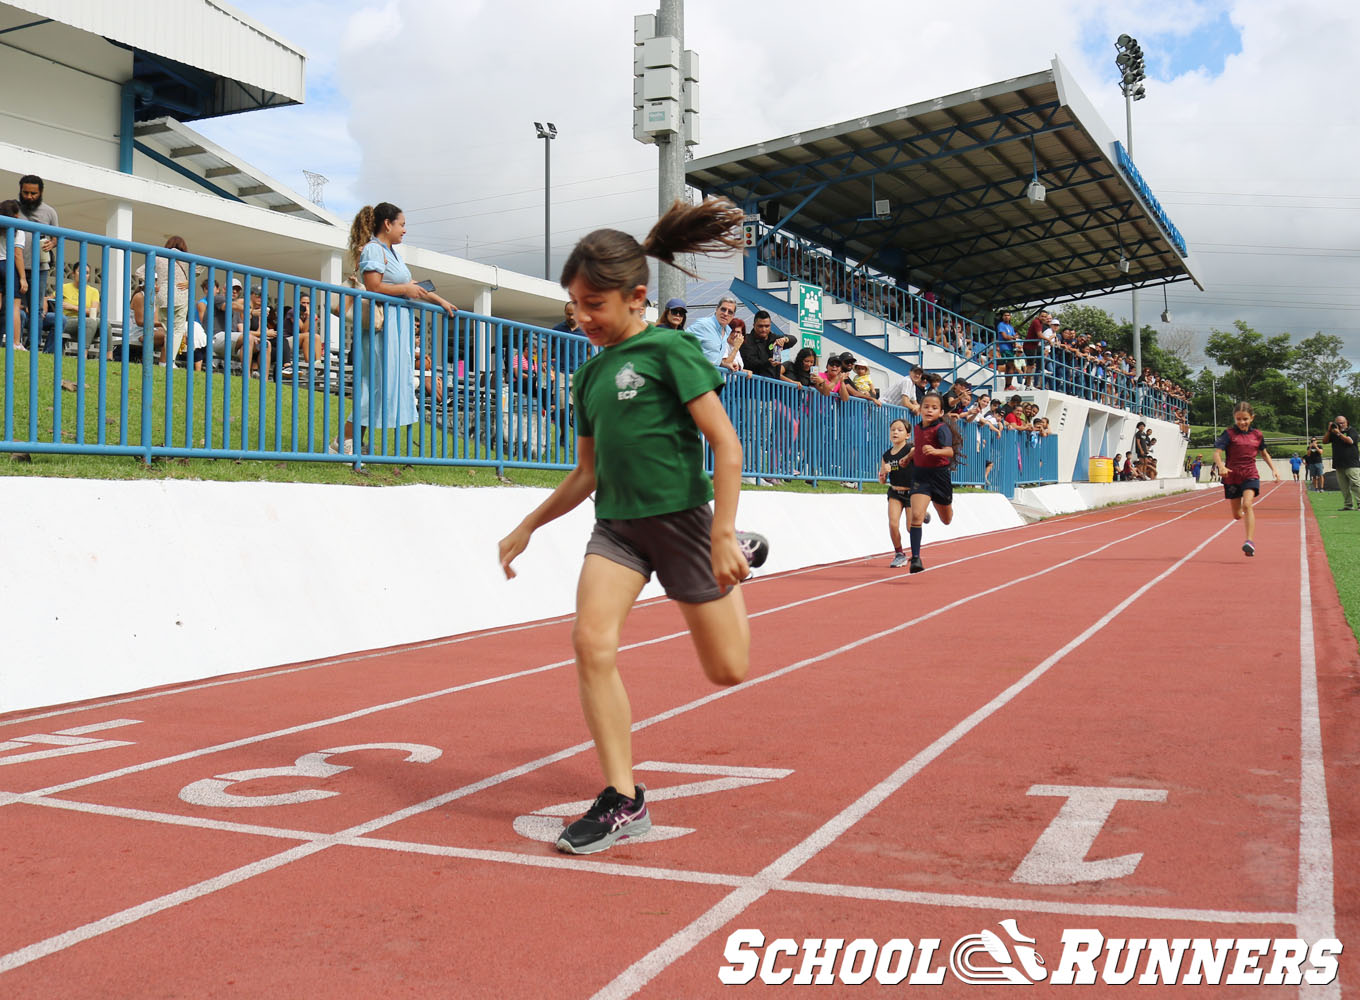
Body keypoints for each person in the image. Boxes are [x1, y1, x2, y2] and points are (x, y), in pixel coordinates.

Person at [497, 198, 769, 856]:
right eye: (575, 305)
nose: (583, 317)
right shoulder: (589, 375)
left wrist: (723, 530)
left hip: (683, 525)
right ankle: (623, 798)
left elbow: (725, 447)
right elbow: (586, 473)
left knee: (728, 671)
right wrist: (529, 523)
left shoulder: (668, 349)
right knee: (589, 643)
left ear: (636, 297)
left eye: (595, 304)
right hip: (617, 529)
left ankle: (741, 556)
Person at [336, 202, 457, 455]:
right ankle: (344, 442)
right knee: (373, 384)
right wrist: (405, 290)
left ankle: (352, 443)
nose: (404, 230)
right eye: (401, 225)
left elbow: (412, 284)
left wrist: (441, 301)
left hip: (396, 330)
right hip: (383, 330)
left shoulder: (392, 254)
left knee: (382, 386)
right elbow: (373, 287)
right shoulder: (372, 250)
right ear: (387, 224)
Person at [1213, 401, 1280, 557]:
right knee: (1237, 515)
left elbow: (1264, 453)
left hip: (1250, 474)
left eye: (1245, 419)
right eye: (1238, 419)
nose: (1242, 422)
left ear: (1252, 418)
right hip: (1232, 476)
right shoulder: (1228, 434)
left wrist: (1274, 470)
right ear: (1234, 418)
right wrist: (1221, 466)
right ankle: (1245, 517)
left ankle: (1249, 541)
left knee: (1248, 504)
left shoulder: (1257, 435)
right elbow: (1217, 453)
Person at [900, 390, 955, 573]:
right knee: (915, 517)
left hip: (939, 477)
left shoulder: (942, 429)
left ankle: (926, 510)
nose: (929, 410)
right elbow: (918, 447)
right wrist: (908, 457)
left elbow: (949, 452)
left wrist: (936, 451)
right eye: (926, 407)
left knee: (947, 520)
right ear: (920, 408)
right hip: (920, 475)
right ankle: (916, 558)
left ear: (940, 412)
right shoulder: (917, 428)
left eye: (934, 408)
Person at [17, 175, 57, 318]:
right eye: (25, 192)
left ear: (41, 193)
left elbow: (56, 237)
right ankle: (17, 340)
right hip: (16, 265)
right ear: (20, 191)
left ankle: (35, 340)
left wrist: (52, 243)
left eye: (33, 193)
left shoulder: (50, 212)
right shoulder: (14, 208)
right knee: (15, 308)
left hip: (40, 268)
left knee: (37, 309)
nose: (29, 196)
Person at [879, 418, 914, 567]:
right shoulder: (886, 455)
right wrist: (883, 473)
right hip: (895, 492)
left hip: (912, 493)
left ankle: (916, 552)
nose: (895, 432)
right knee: (893, 524)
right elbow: (881, 480)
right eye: (893, 429)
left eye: (900, 430)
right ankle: (899, 553)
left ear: (907, 435)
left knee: (910, 527)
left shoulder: (910, 450)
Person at [0, 199, 30, 350]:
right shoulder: (18, 231)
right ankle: (16, 343)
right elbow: (17, 254)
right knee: (14, 307)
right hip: (8, 265)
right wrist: (23, 278)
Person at [1320, 416, 1360, 510]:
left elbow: (1350, 441)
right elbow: (1324, 441)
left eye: (1342, 423)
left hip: (1351, 463)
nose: (1340, 425)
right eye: (1338, 423)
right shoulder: (1333, 432)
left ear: (1347, 422)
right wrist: (1329, 431)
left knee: (1356, 484)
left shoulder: (1351, 431)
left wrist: (1339, 434)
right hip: (1339, 463)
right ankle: (1348, 505)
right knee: (1343, 486)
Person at [687, 294, 736, 366]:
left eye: (730, 312)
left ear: (733, 316)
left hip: (711, 376)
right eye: (723, 309)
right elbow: (681, 344)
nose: (725, 314)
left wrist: (723, 364)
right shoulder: (703, 324)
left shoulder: (727, 332)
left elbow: (713, 359)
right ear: (717, 309)